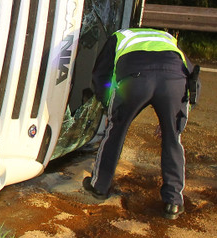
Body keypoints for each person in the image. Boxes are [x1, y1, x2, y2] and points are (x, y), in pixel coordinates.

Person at [83, 28, 199, 220]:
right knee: (173, 138)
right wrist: (176, 121)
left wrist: (108, 107)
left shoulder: (119, 36)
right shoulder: (168, 39)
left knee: (115, 131)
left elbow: (101, 74)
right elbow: (193, 77)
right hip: (173, 81)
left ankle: (99, 186)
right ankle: (173, 202)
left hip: (134, 79)